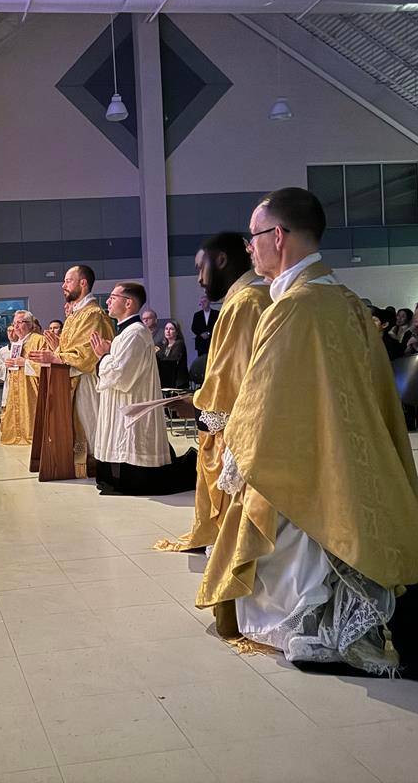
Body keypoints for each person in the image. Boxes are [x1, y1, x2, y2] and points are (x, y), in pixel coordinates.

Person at [210, 187, 418, 682]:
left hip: (315, 462)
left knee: (317, 583)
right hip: (351, 451)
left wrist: (231, 443)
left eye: (253, 236)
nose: (249, 247)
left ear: (277, 236)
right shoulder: (340, 297)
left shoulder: (296, 305)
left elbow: (265, 401)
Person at [154, 233, 273, 631]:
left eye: (200, 268)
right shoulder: (255, 297)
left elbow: (234, 377)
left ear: (220, 260)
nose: (199, 279)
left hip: (244, 426)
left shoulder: (246, 302)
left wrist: (200, 406)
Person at [90, 283, 194, 496]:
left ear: (128, 303)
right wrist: (108, 353)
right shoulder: (126, 333)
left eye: (112, 297)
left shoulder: (136, 333)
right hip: (121, 401)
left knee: (134, 455)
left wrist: (103, 355)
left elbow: (122, 376)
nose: (108, 301)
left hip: (132, 402)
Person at [28, 265, 115, 477]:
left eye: (68, 280)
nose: (63, 285)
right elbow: (73, 348)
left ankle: (97, 464)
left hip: (87, 382)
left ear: (82, 283)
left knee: (90, 422)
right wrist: (58, 348)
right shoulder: (76, 314)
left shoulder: (93, 314)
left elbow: (87, 354)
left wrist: (56, 356)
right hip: (72, 378)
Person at [0, 310, 47, 445]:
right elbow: (16, 364)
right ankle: (17, 434)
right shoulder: (17, 343)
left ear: (30, 324)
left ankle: (32, 435)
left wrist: (25, 363)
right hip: (17, 385)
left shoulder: (39, 340)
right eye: (14, 323)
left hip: (32, 388)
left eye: (20, 322)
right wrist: (10, 364)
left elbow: (47, 366)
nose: (16, 326)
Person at [156, 321, 189, 389]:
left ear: (177, 332)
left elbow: (171, 360)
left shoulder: (179, 344)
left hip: (177, 379)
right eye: (166, 329)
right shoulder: (161, 344)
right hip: (165, 377)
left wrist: (158, 353)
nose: (168, 331)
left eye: (171, 329)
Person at [0, 325, 17, 414]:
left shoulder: (24, 347)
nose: (11, 333)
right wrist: (5, 366)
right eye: (9, 331)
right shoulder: (3, 351)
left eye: (13, 331)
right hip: (9, 380)